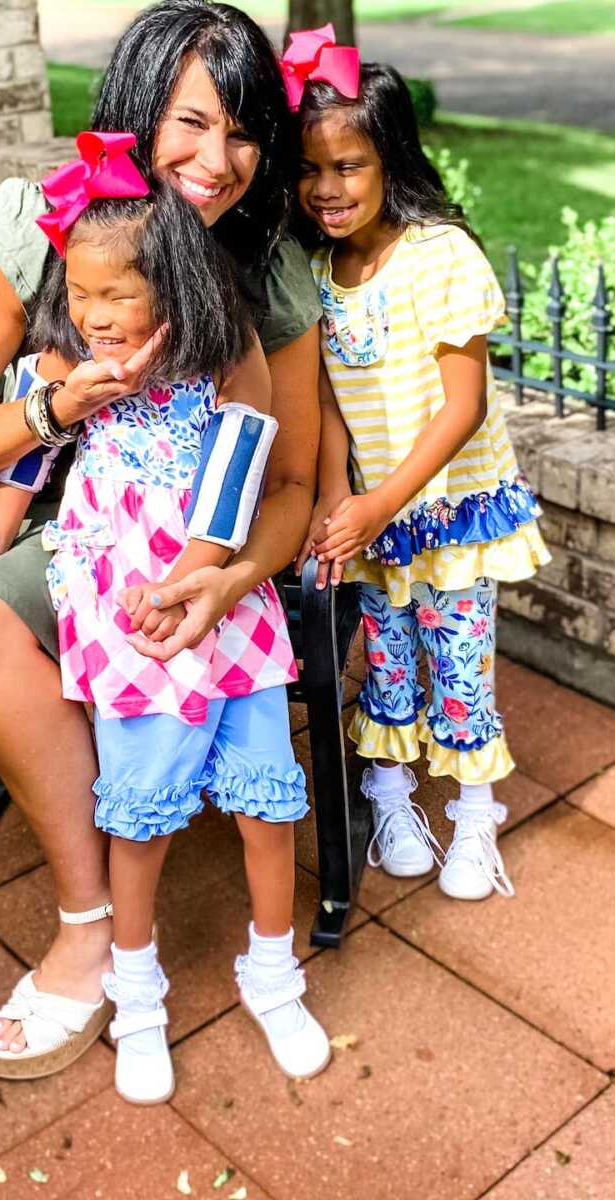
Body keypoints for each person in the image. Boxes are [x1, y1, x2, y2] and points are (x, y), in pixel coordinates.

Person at [0, 0, 322, 1128]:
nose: (219, 160)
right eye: (193, 123)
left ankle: (88, 927)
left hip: (170, 539)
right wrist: (56, 408)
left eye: (247, 133)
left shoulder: (263, 268)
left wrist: (232, 575)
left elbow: (286, 481)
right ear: (138, 108)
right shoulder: (39, 221)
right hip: (39, 485)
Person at [0, 140, 329, 1104]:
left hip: (219, 601)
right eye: (79, 293)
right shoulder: (69, 359)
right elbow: (29, 457)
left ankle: (272, 971)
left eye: (116, 295)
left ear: (172, 284)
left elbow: (245, 459)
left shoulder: (224, 348)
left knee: (267, 799)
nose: (94, 313)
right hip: (124, 616)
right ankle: (139, 988)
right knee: (141, 811)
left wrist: (205, 574)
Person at [292, 55, 549, 903]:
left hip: (448, 512)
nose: (326, 187)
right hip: (372, 513)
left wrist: (379, 501)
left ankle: (476, 812)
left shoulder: (440, 256)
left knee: (460, 664)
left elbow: (463, 406)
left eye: (348, 165)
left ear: (392, 161)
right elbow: (331, 403)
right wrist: (338, 503)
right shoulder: (320, 274)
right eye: (310, 168)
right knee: (390, 662)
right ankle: (392, 795)